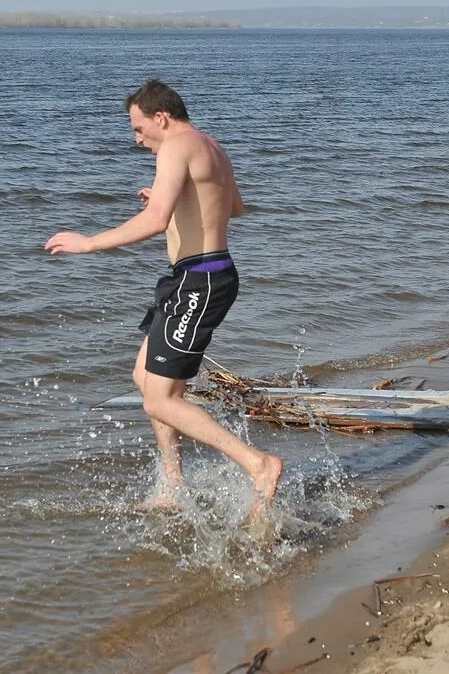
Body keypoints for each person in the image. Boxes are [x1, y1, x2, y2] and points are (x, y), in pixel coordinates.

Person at [45, 79, 283, 521]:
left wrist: (89, 243)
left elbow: (155, 222)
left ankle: (259, 465)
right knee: (144, 378)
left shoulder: (177, 146)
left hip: (202, 280)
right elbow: (232, 207)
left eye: (138, 130)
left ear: (161, 117)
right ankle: (174, 486)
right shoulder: (210, 145)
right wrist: (175, 197)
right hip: (195, 278)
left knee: (159, 400)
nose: (138, 141)